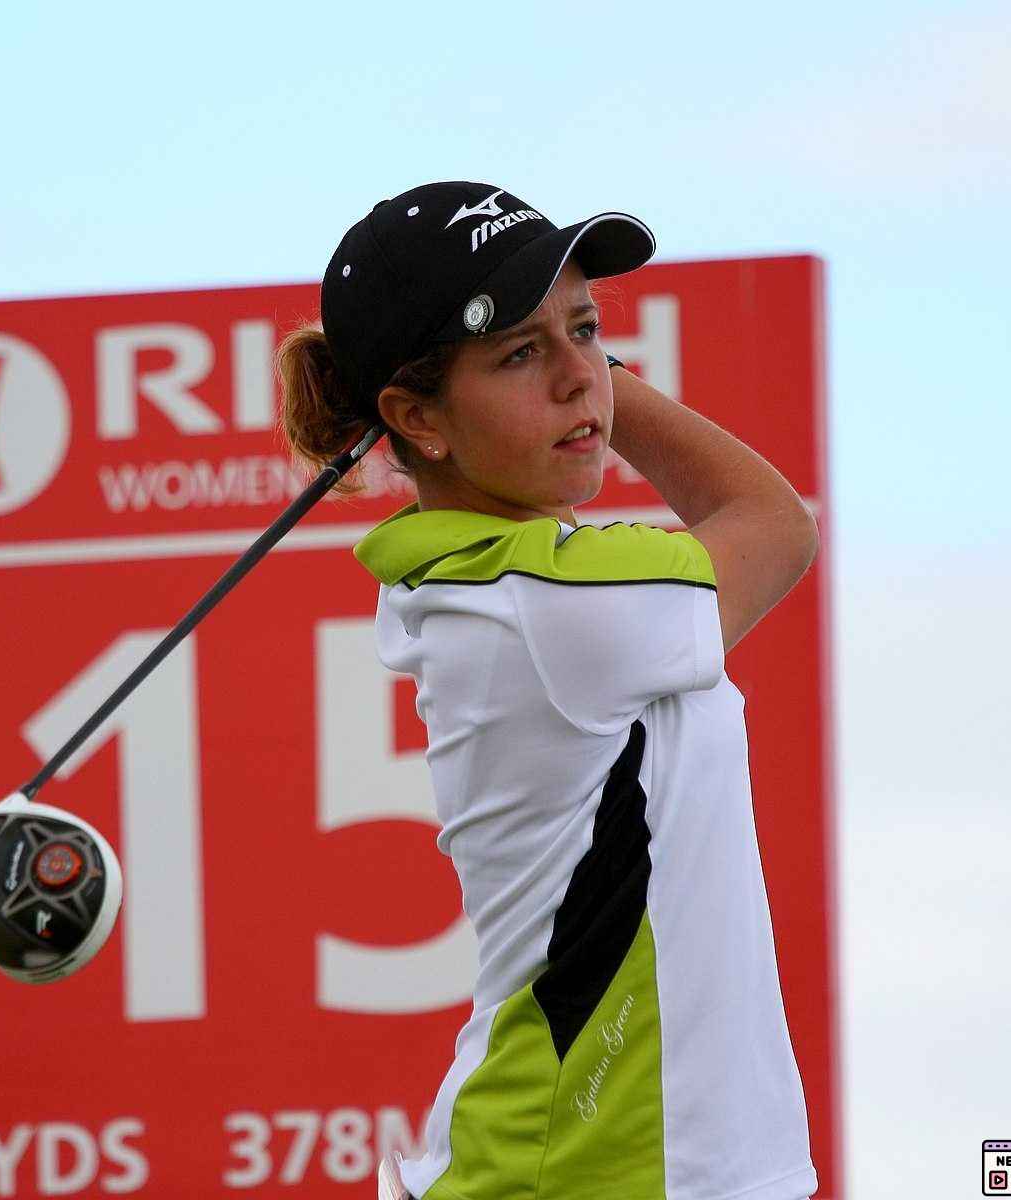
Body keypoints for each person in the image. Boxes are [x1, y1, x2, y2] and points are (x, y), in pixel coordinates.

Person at [277, 181, 820, 1200]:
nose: (580, 380)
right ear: (413, 417)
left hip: (635, 1167)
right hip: (583, 1171)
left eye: (589, 329)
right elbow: (773, 522)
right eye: (521, 353)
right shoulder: (553, 600)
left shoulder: (488, 579)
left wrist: (562, 368)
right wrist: (606, 384)